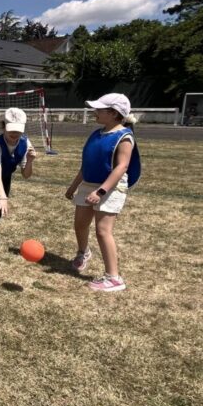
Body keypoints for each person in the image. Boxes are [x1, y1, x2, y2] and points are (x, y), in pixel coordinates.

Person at [64, 93, 141, 292]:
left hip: (111, 188)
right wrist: (74, 186)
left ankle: (114, 278)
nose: (95, 112)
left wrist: (101, 191)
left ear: (113, 113)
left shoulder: (124, 137)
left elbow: (121, 167)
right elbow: (87, 164)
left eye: (99, 109)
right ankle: (83, 252)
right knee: (80, 224)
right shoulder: (97, 134)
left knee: (102, 230)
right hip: (88, 184)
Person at [0, 107, 36, 258]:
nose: (14, 134)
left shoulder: (25, 143)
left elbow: (26, 175)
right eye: (11, 130)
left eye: (18, 130)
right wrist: (2, 196)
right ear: (3, 126)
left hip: (5, 176)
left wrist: (30, 161)